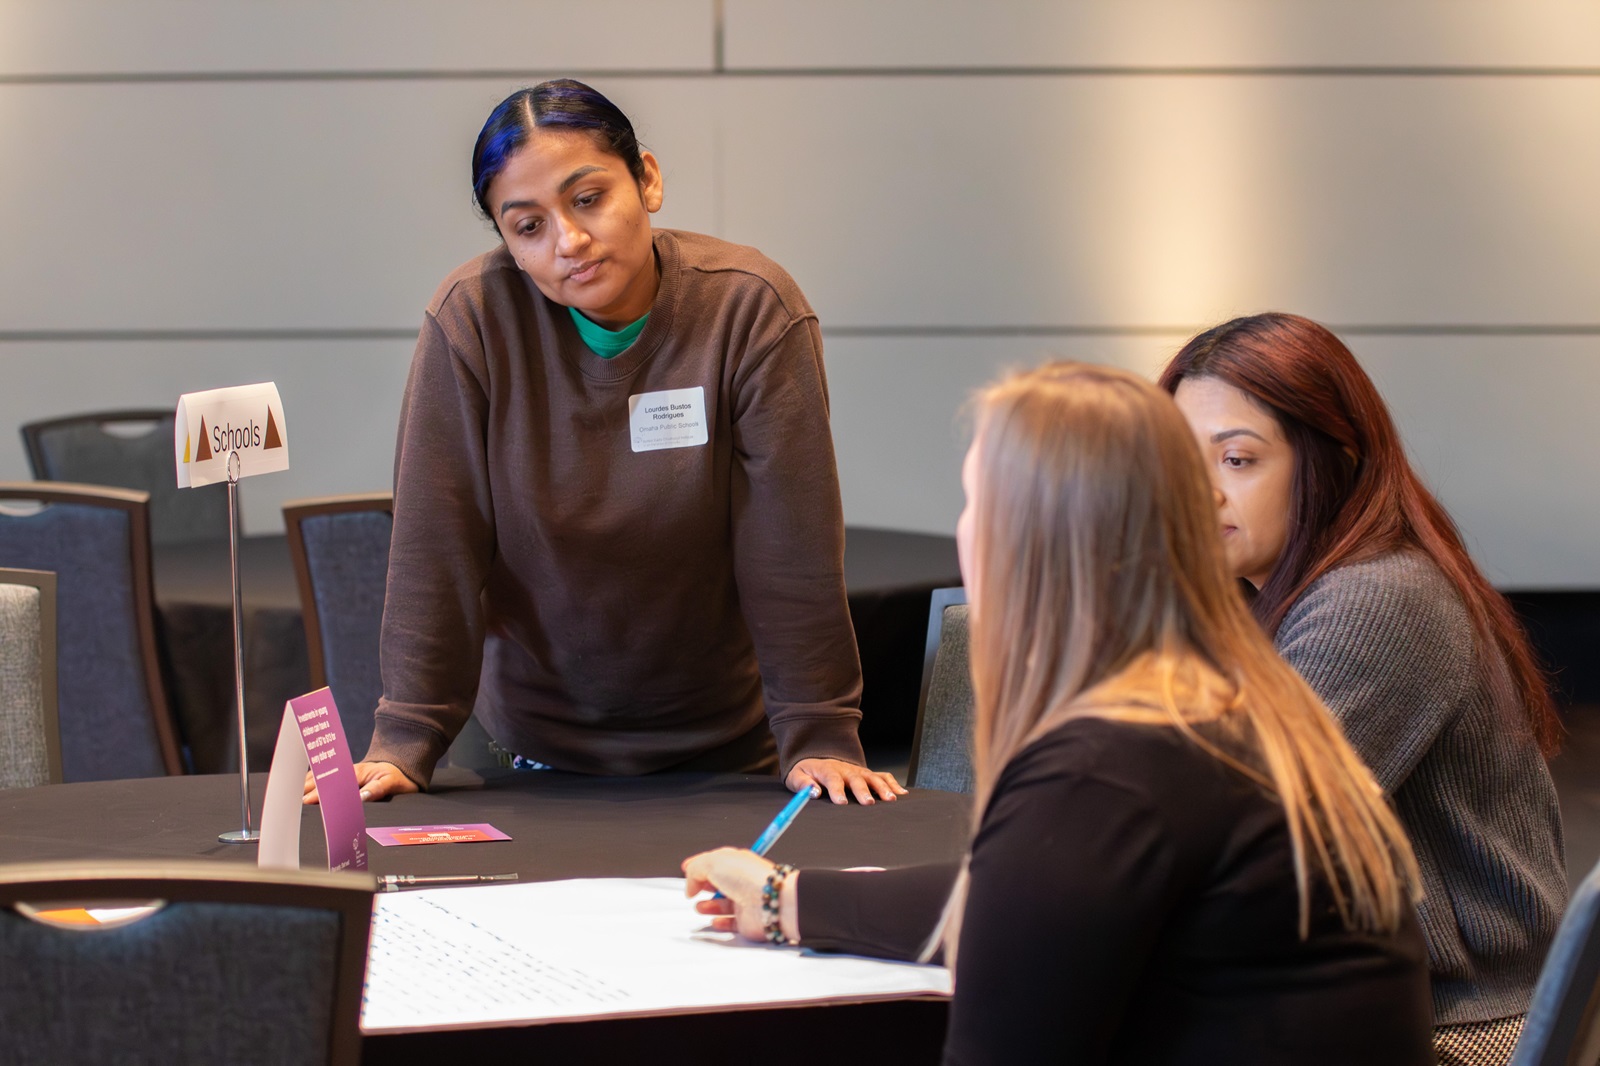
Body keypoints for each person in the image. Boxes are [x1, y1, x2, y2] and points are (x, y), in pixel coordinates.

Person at [684, 363, 1433, 1065]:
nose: (964, 528)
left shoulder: (1111, 765)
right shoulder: (1221, 704)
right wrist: (787, 899)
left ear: (1029, 539)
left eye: (974, 500)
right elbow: (1023, 901)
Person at [308, 79, 903, 807]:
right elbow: (438, 543)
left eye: (587, 198)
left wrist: (818, 732)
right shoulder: (473, 320)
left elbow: (790, 546)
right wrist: (405, 736)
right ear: (508, 244)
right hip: (527, 753)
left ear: (646, 179)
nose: (570, 242)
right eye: (528, 227)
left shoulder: (749, 309)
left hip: (728, 754)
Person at [1160, 312, 1566, 1065]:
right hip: (1359, 992)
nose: (1200, 493)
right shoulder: (1263, 593)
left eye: (1237, 461)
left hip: (1459, 1025)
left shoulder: (1375, 597)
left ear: (1331, 459)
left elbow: (1240, 830)